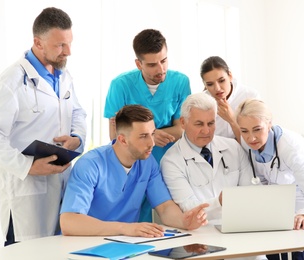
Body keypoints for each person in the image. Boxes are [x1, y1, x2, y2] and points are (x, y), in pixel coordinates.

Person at [0, 7, 87, 246]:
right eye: (60, 46)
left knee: (58, 249)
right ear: (38, 42)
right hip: (27, 191)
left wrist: (77, 137)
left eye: (69, 43)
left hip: (62, 185)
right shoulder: (11, 81)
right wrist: (27, 166)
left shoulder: (64, 76)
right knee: (27, 251)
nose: (69, 52)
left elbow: (77, 111)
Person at [60, 104, 208, 237]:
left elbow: (164, 207)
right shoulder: (90, 165)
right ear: (123, 140)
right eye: (143, 136)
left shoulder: (148, 163)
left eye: (152, 134)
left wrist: (184, 221)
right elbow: (69, 222)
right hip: (86, 244)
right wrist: (125, 228)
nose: (152, 143)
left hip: (127, 244)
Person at [104, 28, 191, 222]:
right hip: (134, 165)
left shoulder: (180, 82)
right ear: (138, 64)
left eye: (164, 60)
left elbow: (181, 128)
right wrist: (152, 136)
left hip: (170, 163)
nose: (160, 69)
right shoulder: (120, 85)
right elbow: (114, 136)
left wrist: (148, 135)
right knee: (136, 223)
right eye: (152, 64)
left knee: (172, 222)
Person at [235, 98, 304, 260]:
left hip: (300, 205)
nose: (251, 138)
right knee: (270, 251)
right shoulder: (246, 143)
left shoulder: (291, 146)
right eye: (244, 131)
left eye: (257, 129)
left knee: (294, 252)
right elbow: (261, 179)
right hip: (274, 210)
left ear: (269, 123)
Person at [160, 92, 253, 225]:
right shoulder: (171, 161)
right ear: (183, 122)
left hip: (239, 226)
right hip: (200, 233)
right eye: (199, 124)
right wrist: (219, 202)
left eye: (211, 123)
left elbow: (251, 193)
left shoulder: (234, 148)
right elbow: (189, 208)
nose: (206, 131)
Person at [200, 56, 259, 143]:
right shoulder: (201, 102)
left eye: (221, 80)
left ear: (230, 76)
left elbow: (255, 139)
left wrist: (232, 119)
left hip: (247, 152)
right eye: (210, 84)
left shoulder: (249, 96)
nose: (217, 88)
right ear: (204, 84)